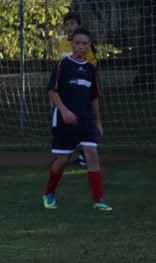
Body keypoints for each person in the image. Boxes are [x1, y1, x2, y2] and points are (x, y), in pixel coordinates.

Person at [42, 28, 112, 212]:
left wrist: (98, 122)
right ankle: (49, 193)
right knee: (64, 159)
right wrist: (64, 111)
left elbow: (94, 97)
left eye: (85, 43)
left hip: (86, 120)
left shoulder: (91, 69)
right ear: (72, 44)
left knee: (91, 153)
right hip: (65, 119)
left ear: (89, 46)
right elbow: (52, 91)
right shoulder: (63, 65)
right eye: (77, 43)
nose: (81, 47)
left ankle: (99, 200)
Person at [58, 11, 97, 167]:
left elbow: (91, 68)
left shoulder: (86, 47)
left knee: (84, 120)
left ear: (79, 26)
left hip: (82, 91)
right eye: (67, 24)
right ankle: (64, 154)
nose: (69, 27)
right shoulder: (63, 44)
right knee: (66, 120)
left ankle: (84, 155)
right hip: (66, 92)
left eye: (73, 24)